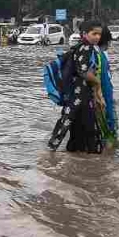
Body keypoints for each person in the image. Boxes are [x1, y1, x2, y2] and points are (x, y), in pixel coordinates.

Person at [47, 20, 106, 153]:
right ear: (85, 34)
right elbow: (84, 71)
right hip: (79, 95)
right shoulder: (86, 47)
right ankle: (92, 154)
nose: (97, 37)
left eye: (99, 34)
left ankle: (64, 153)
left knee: (74, 125)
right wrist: (97, 83)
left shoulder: (81, 46)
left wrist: (97, 92)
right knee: (78, 124)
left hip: (77, 94)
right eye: (94, 33)